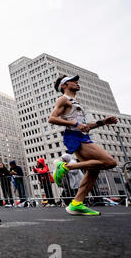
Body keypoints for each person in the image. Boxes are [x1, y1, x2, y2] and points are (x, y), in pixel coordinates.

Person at [49, 75, 118, 215]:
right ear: (64, 85)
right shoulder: (63, 99)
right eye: (73, 81)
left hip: (81, 135)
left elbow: (84, 127)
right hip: (74, 137)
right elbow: (52, 118)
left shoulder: (76, 102)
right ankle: (65, 166)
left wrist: (102, 122)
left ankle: (76, 204)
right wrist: (75, 124)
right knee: (110, 162)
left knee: (94, 170)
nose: (76, 82)